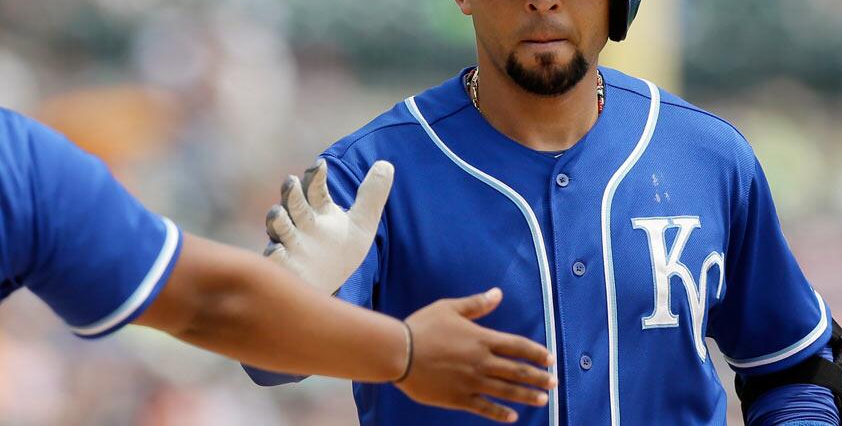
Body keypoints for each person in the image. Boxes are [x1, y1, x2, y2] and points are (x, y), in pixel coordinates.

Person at [249, 0, 842, 426]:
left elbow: (795, 367)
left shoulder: (707, 158)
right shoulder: (373, 174)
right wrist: (286, 311)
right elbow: (269, 363)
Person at [0, 107, 556, 423]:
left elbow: (214, 305)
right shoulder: (20, 162)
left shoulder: (23, 164)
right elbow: (210, 305)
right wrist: (404, 352)